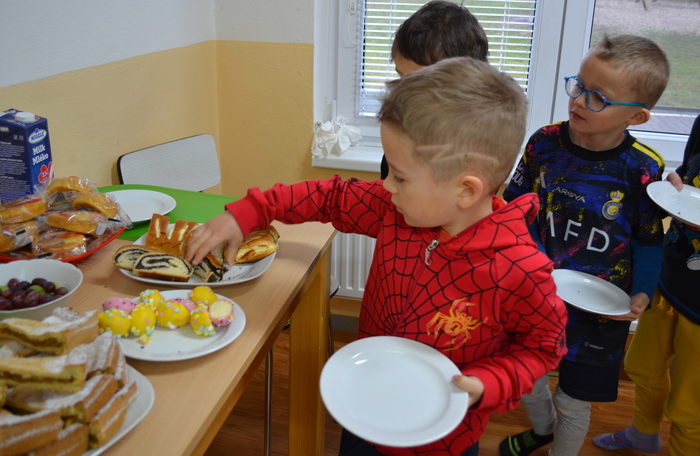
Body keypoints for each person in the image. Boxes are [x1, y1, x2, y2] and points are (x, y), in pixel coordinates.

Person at [187, 57, 567, 456]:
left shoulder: (521, 269)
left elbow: (542, 347)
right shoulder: (394, 208)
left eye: (399, 176)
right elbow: (330, 196)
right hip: (364, 409)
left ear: (465, 190)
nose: (386, 186)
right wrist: (248, 212)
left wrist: (489, 383)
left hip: (443, 437)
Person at [499, 34, 670, 456]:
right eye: (579, 86)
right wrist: (531, 258)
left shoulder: (644, 168)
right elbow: (515, 209)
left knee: (573, 400)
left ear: (637, 116)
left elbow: (650, 240)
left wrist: (643, 290)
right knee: (526, 377)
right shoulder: (543, 143)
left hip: (599, 313)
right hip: (534, 292)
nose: (578, 101)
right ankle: (543, 430)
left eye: (598, 98)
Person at [592, 113, 700, 455]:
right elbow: (688, 181)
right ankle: (642, 434)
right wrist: (674, 185)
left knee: (689, 406)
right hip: (669, 279)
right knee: (642, 366)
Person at [379, 0, 489, 180]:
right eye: (402, 78)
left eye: (419, 84)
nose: (404, 94)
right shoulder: (403, 131)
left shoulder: (479, 145)